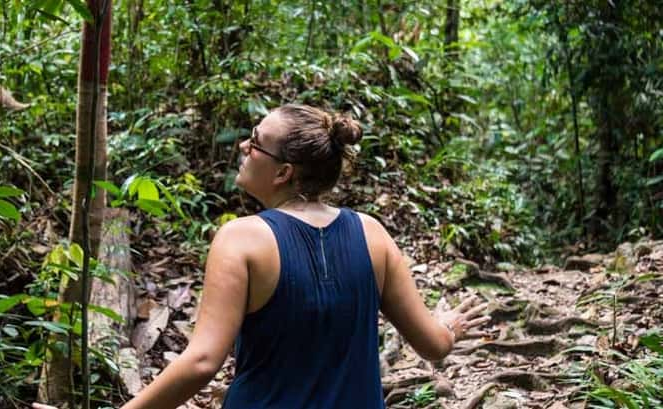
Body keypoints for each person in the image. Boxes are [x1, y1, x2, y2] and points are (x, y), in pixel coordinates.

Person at [34, 104, 489, 409]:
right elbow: (433, 345)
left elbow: (201, 362)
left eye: (255, 142)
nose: (243, 148)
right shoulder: (372, 234)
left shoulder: (241, 240)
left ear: (284, 172)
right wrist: (447, 325)